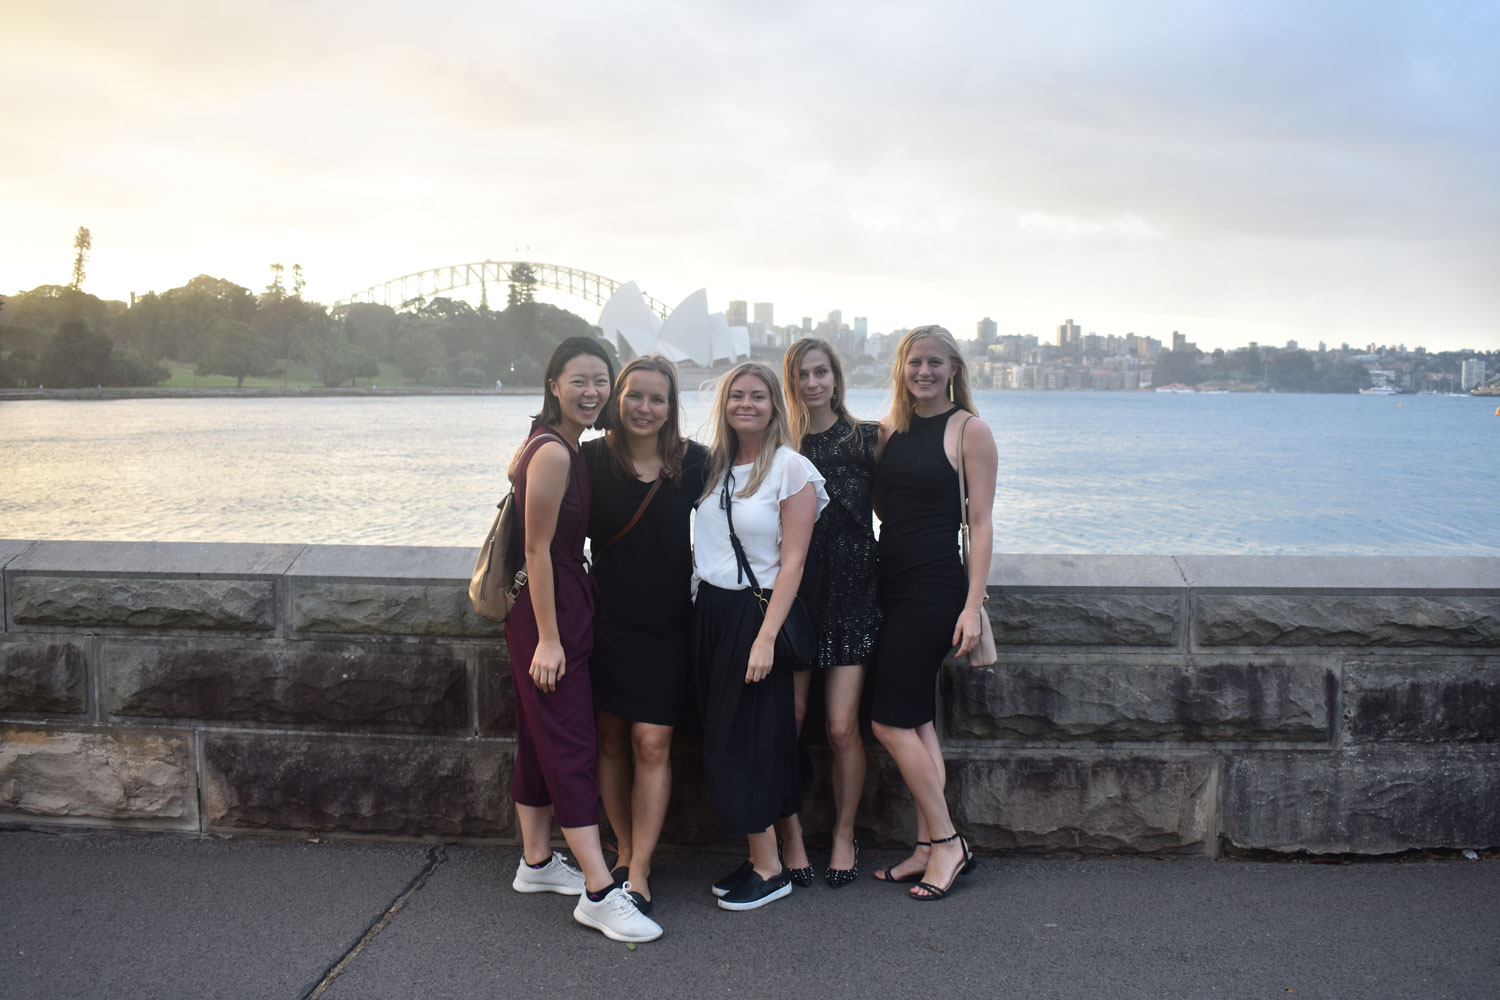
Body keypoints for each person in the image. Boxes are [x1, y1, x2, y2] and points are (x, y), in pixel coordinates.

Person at [502, 336, 662, 943]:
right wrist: (549, 638)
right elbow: (537, 549)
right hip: (551, 609)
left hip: (562, 601)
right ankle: (600, 891)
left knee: (539, 732)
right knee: (569, 742)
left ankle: (537, 862)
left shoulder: (560, 443)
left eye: (601, 381)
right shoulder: (555, 454)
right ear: (553, 385)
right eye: (579, 381)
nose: (592, 392)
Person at [692, 360, 828, 911]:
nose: (745, 404)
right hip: (710, 612)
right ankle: (759, 856)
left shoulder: (791, 469)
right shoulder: (713, 468)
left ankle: (771, 869)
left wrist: (766, 638)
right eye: (735, 396)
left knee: (747, 740)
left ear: (775, 405)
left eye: (758, 396)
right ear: (723, 405)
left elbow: (793, 564)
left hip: (756, 614)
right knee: (726, 738)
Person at [869, 325, 997, 901]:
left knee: (887, 721)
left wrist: (973, 605)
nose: (924, 371)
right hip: (888, 584)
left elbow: (983, 524)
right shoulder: (888, 431)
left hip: (935, 589)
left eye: (935, 363)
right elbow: (882, 506)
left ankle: (948, 843)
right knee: (918, 721)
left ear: (953, 369)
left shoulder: (969, 430)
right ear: (902, 367)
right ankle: (924, 849)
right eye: (915, 362)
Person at [582, 356, 709, 915]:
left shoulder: (695, 462)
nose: (645, 408)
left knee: (651, 744)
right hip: (606, 622)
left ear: (671, 408)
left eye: (658, 399)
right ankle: (624, 849)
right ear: (618, 398)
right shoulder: (589, 460)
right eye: (635, 395)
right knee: (609, 742)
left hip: (667, 626)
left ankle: (641, 867)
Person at [776, 338, 879, 888]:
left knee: (842, 729)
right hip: (796, 600)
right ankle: (790, 836)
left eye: (821, 373)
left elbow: (896, 512)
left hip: (855, 595)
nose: (812, 383)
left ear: (836, 378)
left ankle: (843, 833)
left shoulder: (869, 439)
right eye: (801, 376)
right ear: (789, 385)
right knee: (787, 724)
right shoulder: (782, 446)